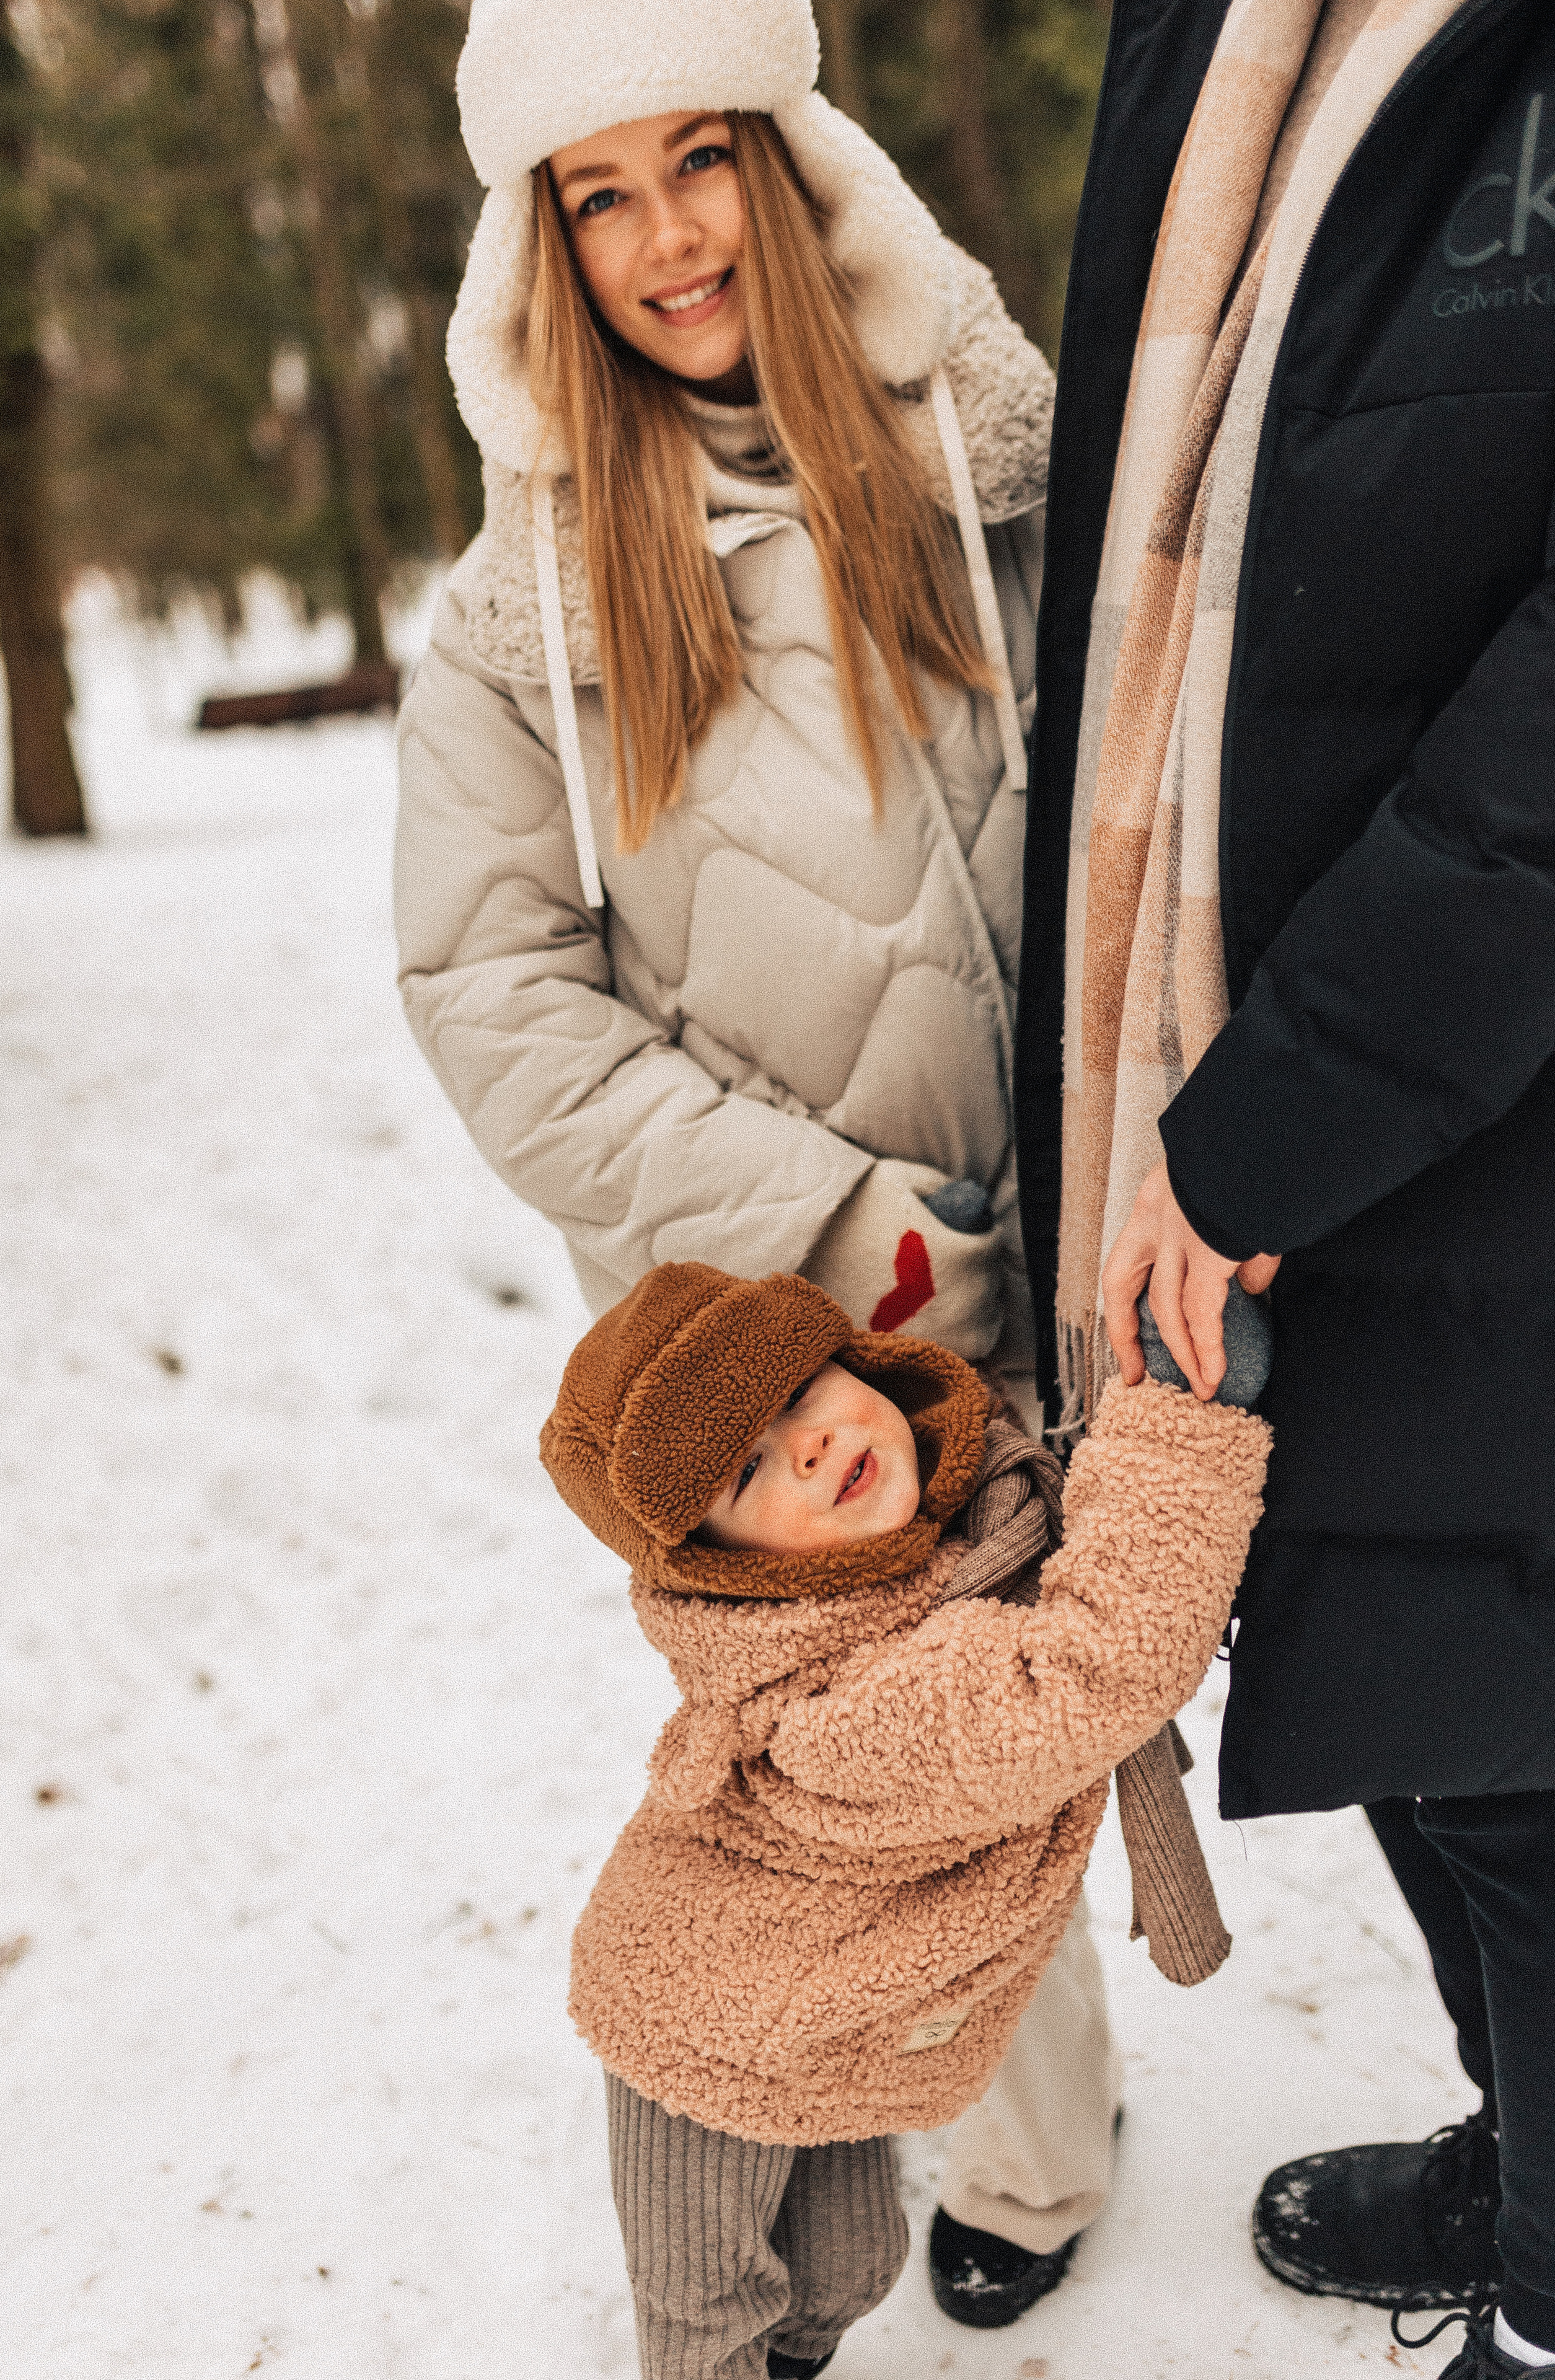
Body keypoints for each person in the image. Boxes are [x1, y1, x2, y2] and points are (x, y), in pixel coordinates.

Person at [395, 0, 1119, 2326]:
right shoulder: (534, 608)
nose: (662, 235)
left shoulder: (996, 455)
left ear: (793, 157)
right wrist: (827, 1225)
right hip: (809, 1321)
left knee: (1073, 1687)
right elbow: (491, 993)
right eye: (592, 194)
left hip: (1084, 1219)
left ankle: (1079, 2126)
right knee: (870, 1778)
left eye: (693, 157)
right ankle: (984, 2166)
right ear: (538, 242)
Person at [1017, 3, 1555, 2375]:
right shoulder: (1230, 33)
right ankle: (1538, 2157)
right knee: (1430, 1717)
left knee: (1526, 1760)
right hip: (1307, 1086)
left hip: (1438, 1082)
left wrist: (1268, 1119)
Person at [541, 1260, 1269, 2380]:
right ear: (727, 1568)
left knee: (847, 2267)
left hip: (820, 2016)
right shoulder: (839, 1709)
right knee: (711, 2310)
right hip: (693, 2036)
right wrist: (1180, 1417)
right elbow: (1083, 1675)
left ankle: (798, 2358)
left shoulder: (956, 1519)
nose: (812, 1446)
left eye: (799, 1395)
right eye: (749, 1470)